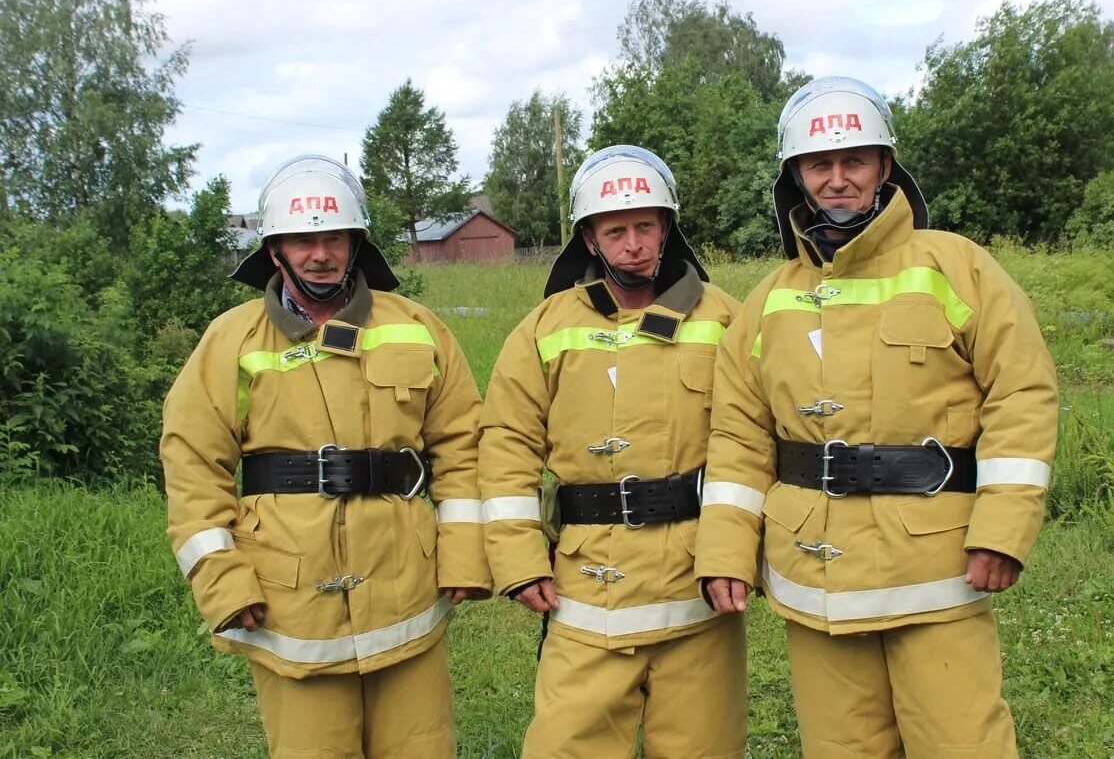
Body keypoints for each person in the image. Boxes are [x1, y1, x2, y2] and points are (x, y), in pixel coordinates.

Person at [695, 77, 1059, 757]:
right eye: (819, 164)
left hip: (936, 570)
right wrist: (724, 549)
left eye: (854, 160)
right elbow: (739, 436)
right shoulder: (768, 300)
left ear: (885, 167)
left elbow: (1022, 393)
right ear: (797, 176)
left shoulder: (958, 268)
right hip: (814, 579)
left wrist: (1004, 527)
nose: (837, 179)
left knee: (964, 744)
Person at [160, 155, 490, 757]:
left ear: (356, 243)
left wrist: (465, 553)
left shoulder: (418, 327)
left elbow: (464, 444)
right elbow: (191, 467)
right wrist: (223, 583)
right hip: (291, 602)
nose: (320, 253)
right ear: (275, 249)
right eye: (303, 239)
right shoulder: (230, 341)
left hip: (405, 589)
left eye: (333, 237)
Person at [479, 145, 747, 758]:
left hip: (696, 589)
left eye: (645, 226)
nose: (633, 244)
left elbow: (751, 442)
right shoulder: (546, 328)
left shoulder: (727, 319)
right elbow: (505, 446)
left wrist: (737, 550)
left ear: (666, 228)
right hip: (584, 586)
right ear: (590, 240)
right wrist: (519, 558)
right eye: (616, 230)